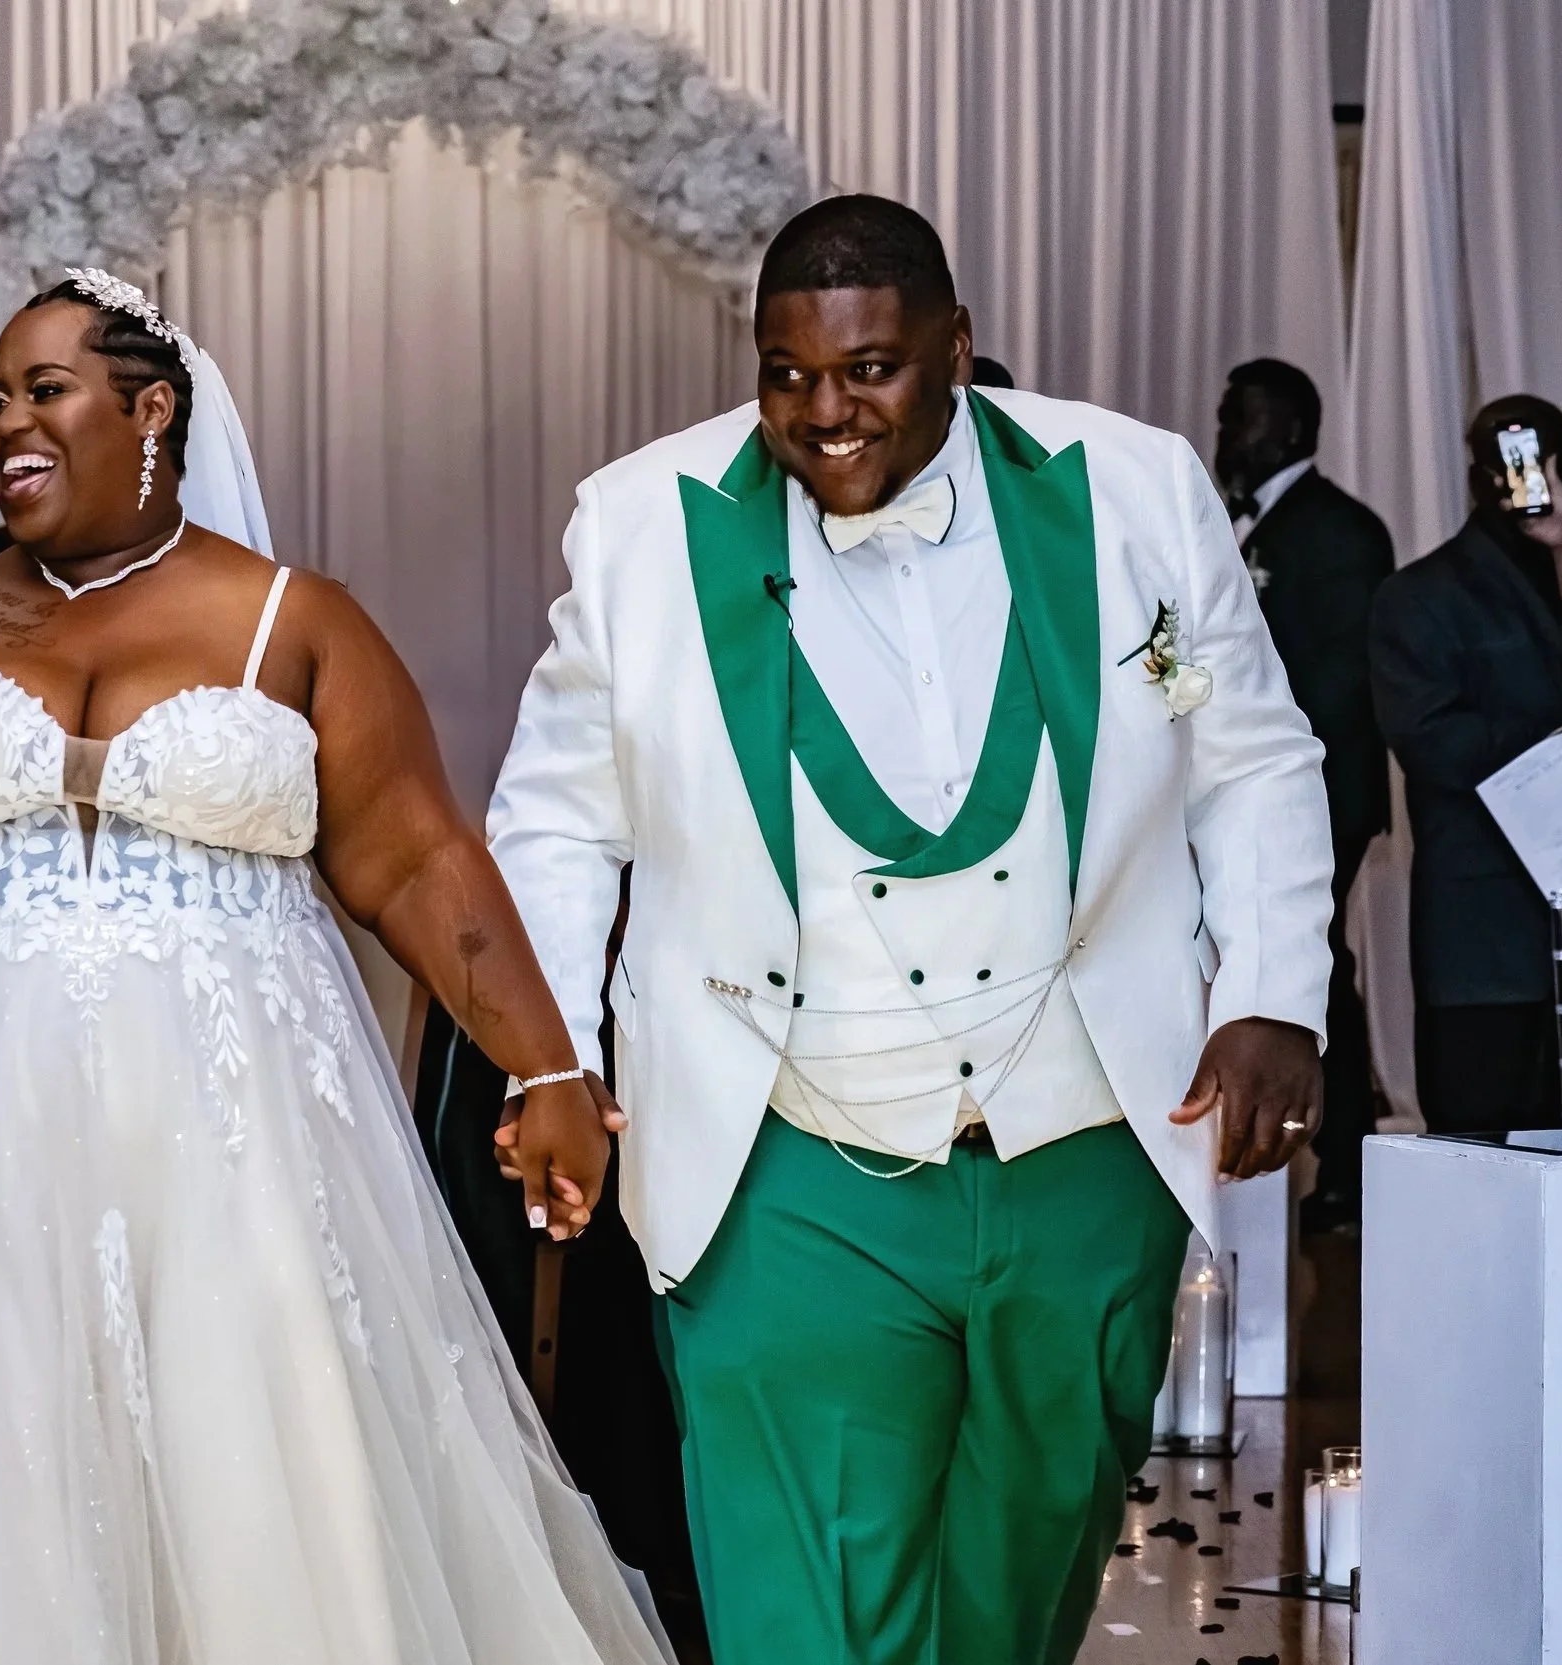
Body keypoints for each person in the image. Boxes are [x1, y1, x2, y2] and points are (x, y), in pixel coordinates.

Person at [0, 271, 668, 1663]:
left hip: (225, 1146)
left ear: (152, 412)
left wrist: (548, 1062)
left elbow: (421, 861)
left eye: (45, 390)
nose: (4, 424)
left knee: (247, 1470)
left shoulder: (290, 622)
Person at [488, 195, 1333, 1665]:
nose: (825, 414)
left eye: (869, 370)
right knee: (808, 1596)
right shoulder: (639, 522)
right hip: (785, 1148)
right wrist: (547, 1066)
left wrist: (1273, 993)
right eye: (787, 373)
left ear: (955, 347)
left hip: (1082, 1131)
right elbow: (558, 821)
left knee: (1024, 1575)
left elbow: (1244, 753)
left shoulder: (1133, 490)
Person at [1371, 395, 1562, 1132]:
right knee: (1480, 1149)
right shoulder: (1419, 595)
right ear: (1476, 475)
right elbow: (1433, 741)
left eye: (1542, 460)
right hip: (1484, 934)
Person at [1215, 357, 1393, 1219]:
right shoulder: (1248, 526)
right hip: (1275, 790)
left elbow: (1336, 687)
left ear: (1290, 428)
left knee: (1316, 967)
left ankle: (1352, 1156)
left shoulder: (1341, 532)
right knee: (1316, 968)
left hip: (1321, 791)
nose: (1223, 434)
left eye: (1240, 416)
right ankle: (1336, 1151)